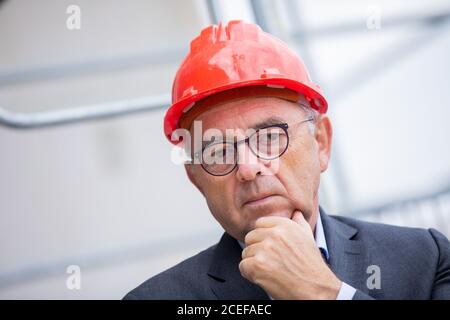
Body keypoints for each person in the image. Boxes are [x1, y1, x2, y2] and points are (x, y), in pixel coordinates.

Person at [124, 20, 450, 300]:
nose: (249, 167)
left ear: (320, 142)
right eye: (219, 151)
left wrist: (323, 292)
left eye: (269, 137)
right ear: (196, 179)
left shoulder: (425, 258)